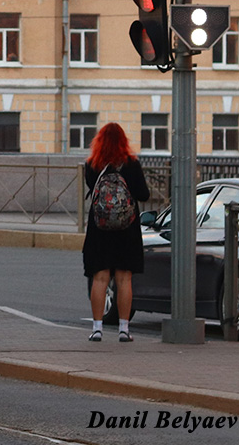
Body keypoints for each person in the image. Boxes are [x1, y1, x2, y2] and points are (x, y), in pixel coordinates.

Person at [83, 122, 150, 342]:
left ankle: (96, 328)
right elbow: (143, 194)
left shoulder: (92, 164)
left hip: (99, 228)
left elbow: (92, 189)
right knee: (124, 279)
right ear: (123, 141)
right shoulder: (131, 164)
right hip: (126, 228)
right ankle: (123, 329)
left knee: (100, 278)